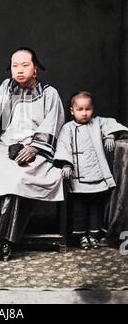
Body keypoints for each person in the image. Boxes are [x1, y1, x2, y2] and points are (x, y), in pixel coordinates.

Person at [0, 47, 65, 261]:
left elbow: (53, 124)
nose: (19, 70)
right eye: (14, 65)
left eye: (25, 65)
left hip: (33, 148)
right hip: (4, 145)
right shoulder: (6, 87)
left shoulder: (49, 93)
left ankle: (0, 238)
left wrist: (35, 147)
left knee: (18, 178)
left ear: (35, 69)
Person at [54, 91, 128, 250]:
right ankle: (81, 236)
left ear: (92, 109)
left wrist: (109, 135)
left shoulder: (97, 123)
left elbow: (111, 124)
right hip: (78, 178)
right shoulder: (67, 128)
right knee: (80, 208)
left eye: (87, 109)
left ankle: (94, 236)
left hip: (96, 175)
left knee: (96, 206)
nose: (84, 113)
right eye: (80, 109)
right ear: (72, 111)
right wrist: (66, 164)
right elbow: (63, 147)